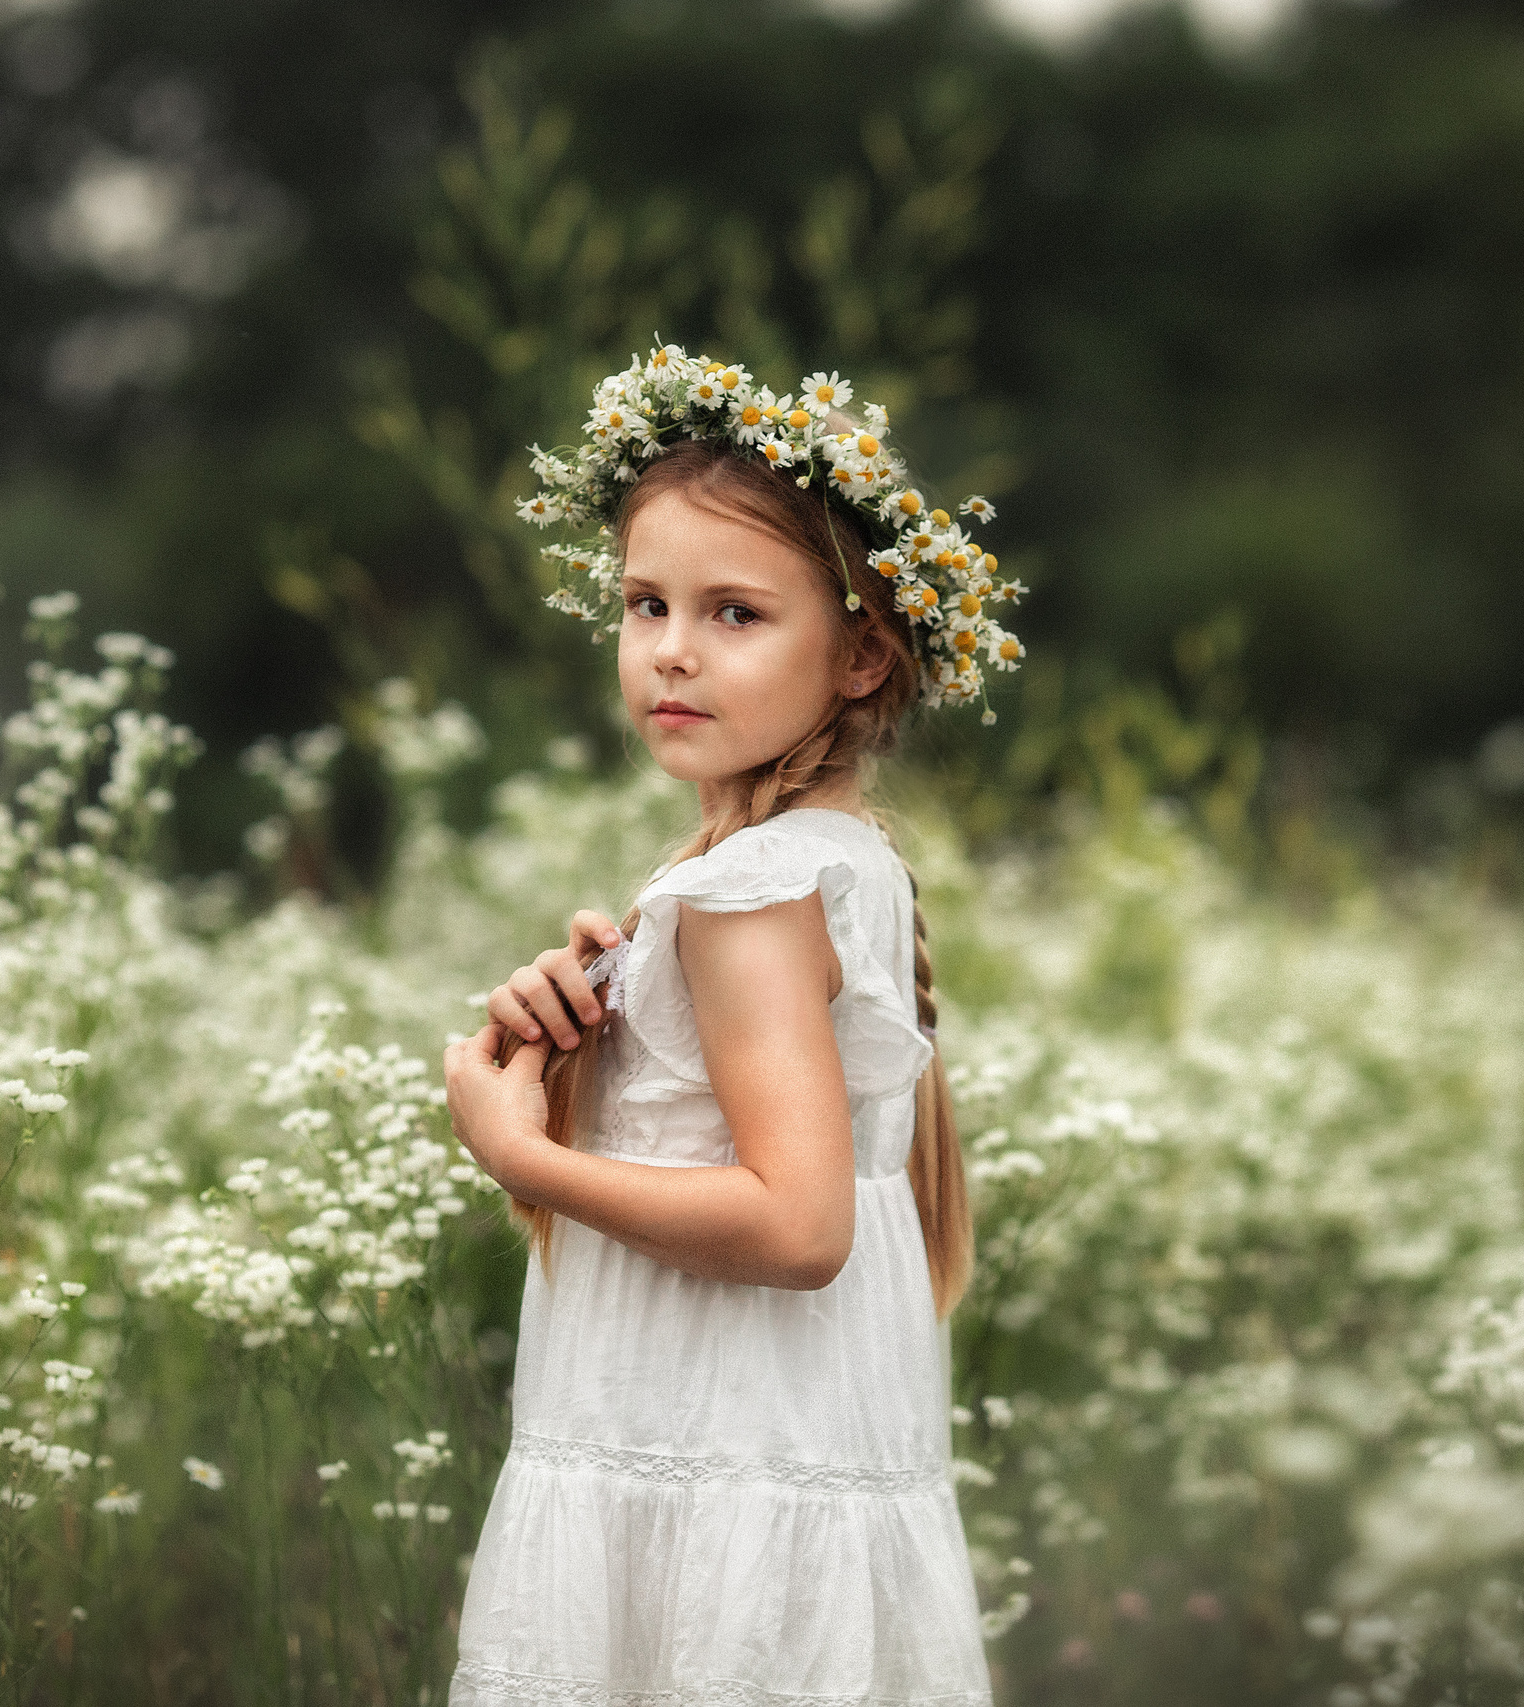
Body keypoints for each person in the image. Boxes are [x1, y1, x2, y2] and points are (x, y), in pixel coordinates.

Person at [441, 345, 1025, 1705]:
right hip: (761, 1445)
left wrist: (518, 1153)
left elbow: (799, 1227)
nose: (674, 651)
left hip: (719, 1462)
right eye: (647, 604)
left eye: (738, 614)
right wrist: (583, 1039)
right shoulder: (822, 861)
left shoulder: (753, 892)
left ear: (863, 648)